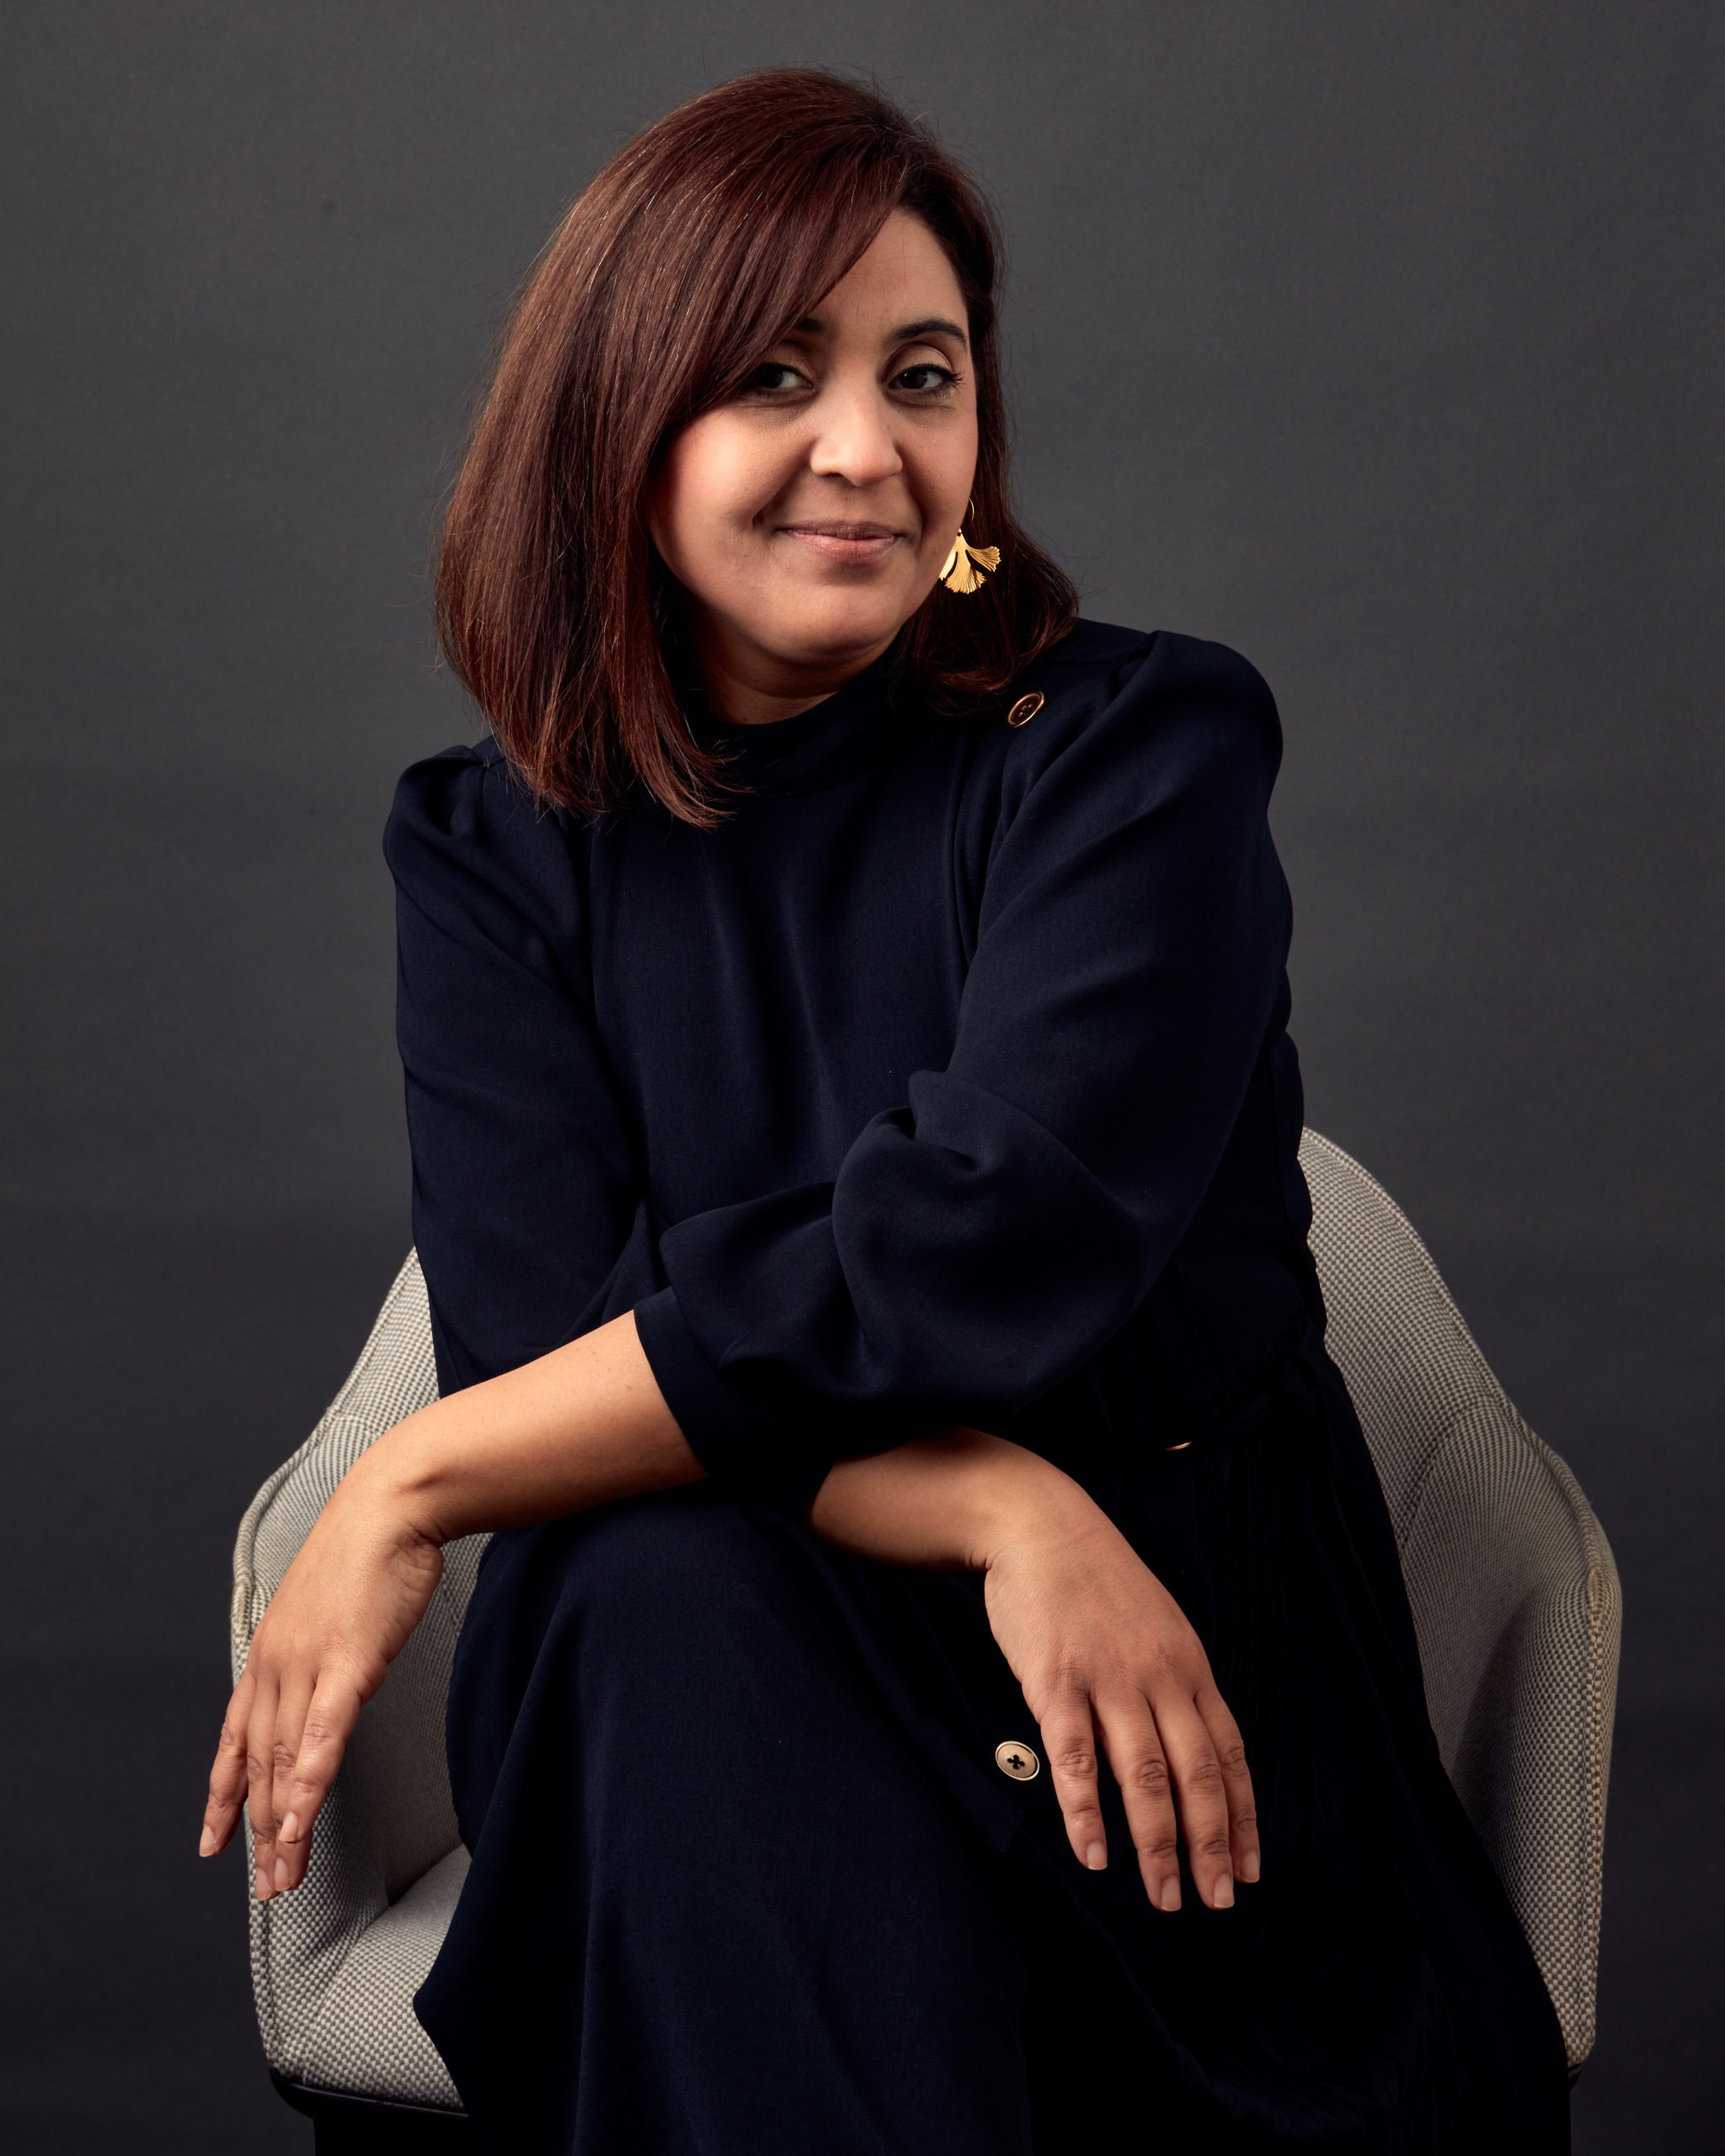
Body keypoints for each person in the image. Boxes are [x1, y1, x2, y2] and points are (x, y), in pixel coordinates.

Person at [201, 69, 1571, 2155]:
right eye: (774, 372)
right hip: (743, 1613)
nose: (866, 446)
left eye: (920, 374)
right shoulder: (487, 844)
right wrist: (989, 1501)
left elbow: (979, 1231)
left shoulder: (1138, 747)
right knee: (655, 1594)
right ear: (617, 426)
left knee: (663, 1580)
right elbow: (540, 1336)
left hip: (1148, 1648)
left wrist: (410, 1482)